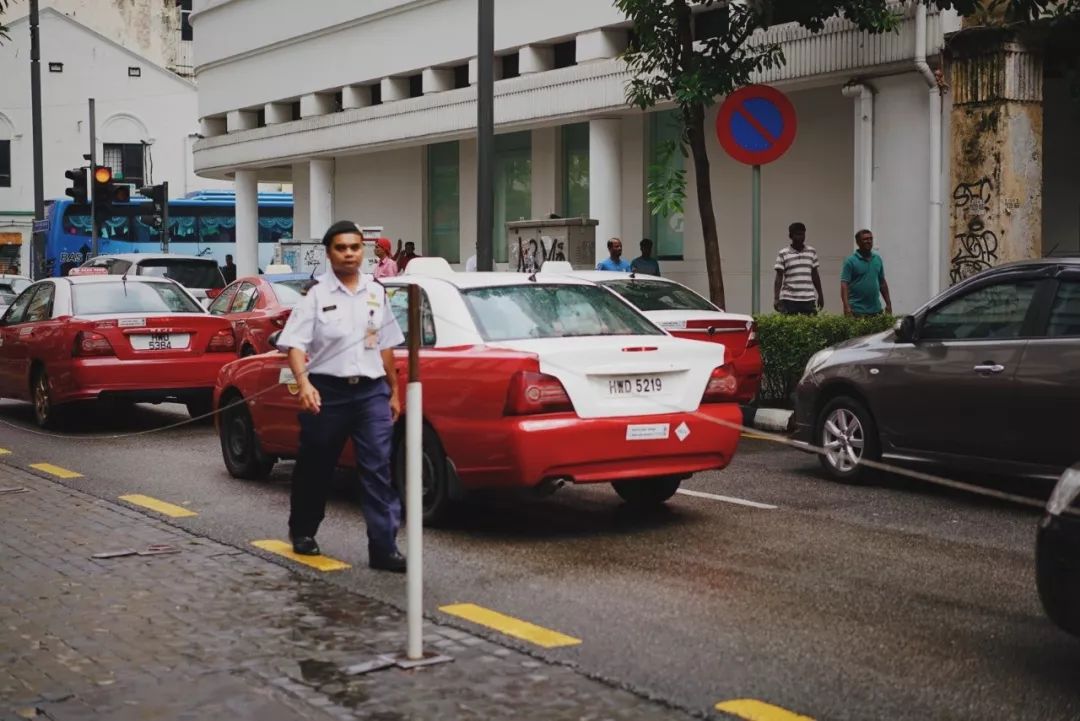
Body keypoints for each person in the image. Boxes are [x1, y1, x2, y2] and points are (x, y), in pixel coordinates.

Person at [276, 220, 407, 573]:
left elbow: (387, 344)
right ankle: (303, 530)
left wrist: (394, 392)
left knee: (378, 467)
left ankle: (384, 547)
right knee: (316, 466)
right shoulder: (316, 295)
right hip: (327, 392)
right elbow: (295, 345)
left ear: (363, 251)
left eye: (355, 247)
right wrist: (304, 384)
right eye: (341, 248)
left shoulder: (376, 291)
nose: (349, 254)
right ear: (329, 252)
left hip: (370, 394)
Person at [773, 222, 824, 315]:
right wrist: (776, 298)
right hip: (789, 299)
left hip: (808, 298)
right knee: (789, 328)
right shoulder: (783, 253)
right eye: (797, 234)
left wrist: (820, 295)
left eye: (802, 234)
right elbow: (778, 278)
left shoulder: (812, 251)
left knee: (810, 328)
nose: (800, 237)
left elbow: (815, 275)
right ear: (790, 236)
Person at [841, 229, 893, 317]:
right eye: (865, 239)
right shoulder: (850, 261)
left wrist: (888, 304)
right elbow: (844, 285)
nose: (868, 241)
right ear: (858, 242)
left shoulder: (877, 259)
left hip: (876, 310)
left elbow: (882, 283)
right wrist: (846, 307)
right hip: (856, 311)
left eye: (870, 239)